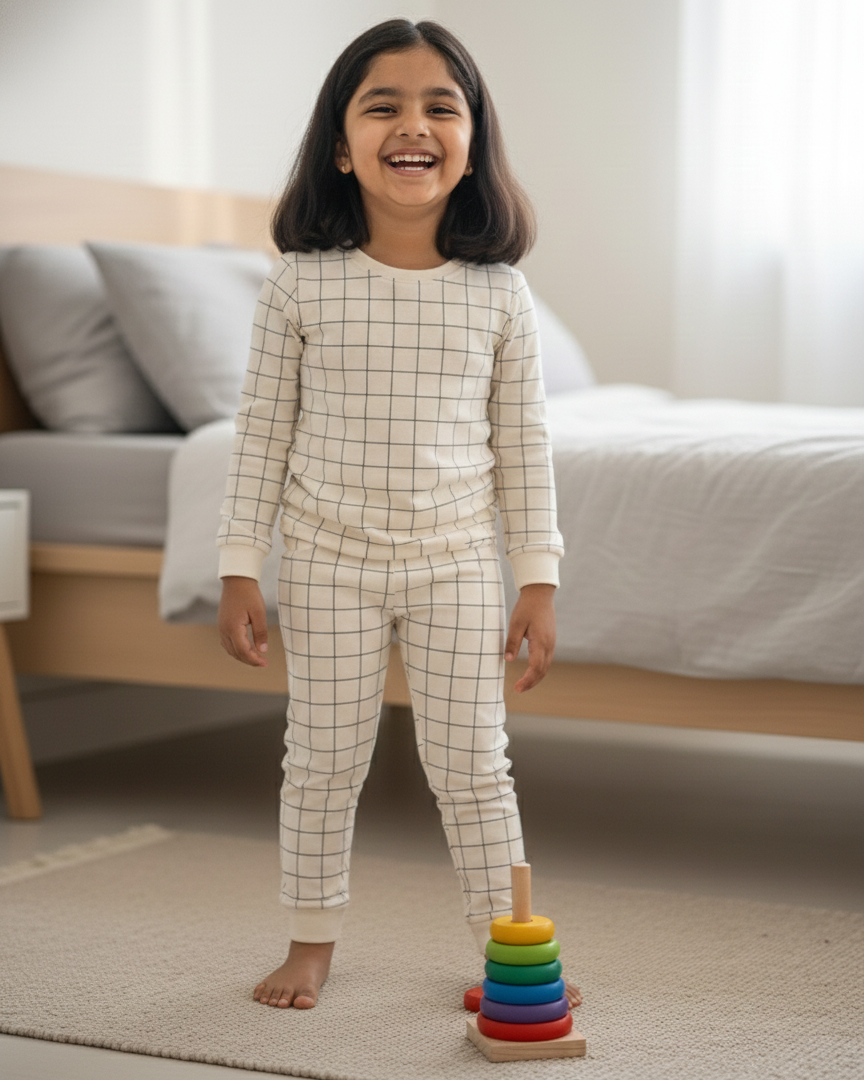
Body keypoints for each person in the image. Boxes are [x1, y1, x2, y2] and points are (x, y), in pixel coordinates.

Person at [217, 17, 578, 1013]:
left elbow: (525, 447)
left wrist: (537, 579)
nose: (412, 125)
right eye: (383, 106)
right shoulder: (299, 283)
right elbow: (259, 435)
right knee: (324, 760)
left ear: (470, 145)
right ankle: (312, 943)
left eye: (439, 107)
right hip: (327, 557)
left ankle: (507, 949)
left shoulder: (500, 296)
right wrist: (240, 564)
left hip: (458, 561)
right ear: (342, 144)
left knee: (472, 766)